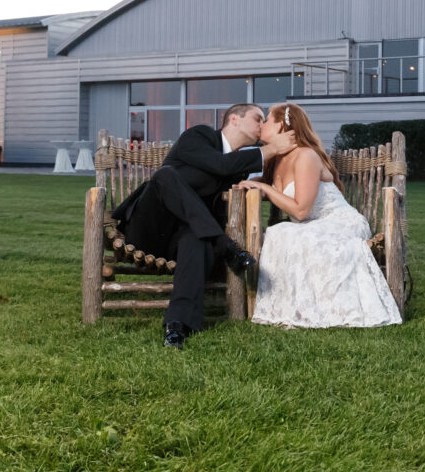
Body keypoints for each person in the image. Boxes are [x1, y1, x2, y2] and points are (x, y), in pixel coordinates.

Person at [112, 103, 296, 348]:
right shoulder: (198, 136)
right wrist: (270, 150)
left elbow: (228, 181)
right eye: (257, 118)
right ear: (234, 119)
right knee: (165, 175)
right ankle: (227, 246)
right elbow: (220, 165)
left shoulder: (237, 171)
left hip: (184, 236)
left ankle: (177, 326)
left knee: (197, 240)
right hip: (149, 227)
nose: (261, 125)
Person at [236, 103, 402, 328]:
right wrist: (252, 185)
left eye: (267, 120)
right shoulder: (275, 160)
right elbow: (276, 194)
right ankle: (293, 309)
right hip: (310, 224)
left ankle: (327, 310)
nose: (262, 125)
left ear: (282, 126)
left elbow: (301, 210)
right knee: (279, 233)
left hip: (339, 223)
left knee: (288, 234)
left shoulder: (306, 155)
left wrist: (266, 190)